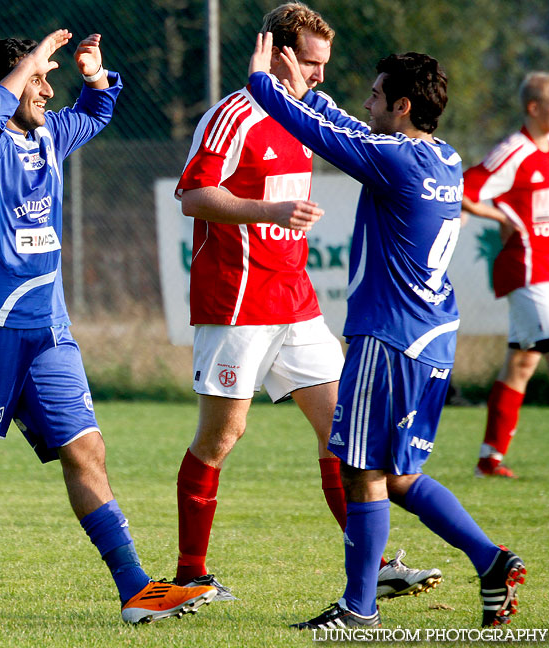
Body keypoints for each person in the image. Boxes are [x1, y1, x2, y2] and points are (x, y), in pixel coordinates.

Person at [0, 29, 215, 627]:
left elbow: (97, 109)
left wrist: (92, 73)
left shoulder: (50, 133)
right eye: (38, 79)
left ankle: (135, 590)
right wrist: (27, 63)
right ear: (7, 84)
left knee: (87, 449)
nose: (47, 91)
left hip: (49, 329)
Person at [248, 34, 526, 629]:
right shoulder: (441, 157)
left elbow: (325, 136)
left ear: (402, 106)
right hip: (430, 336)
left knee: (360, 470)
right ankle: (491, 560)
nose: (367, 103)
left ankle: (358, 608)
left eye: (377, 96)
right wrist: (305, 93)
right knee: (397, 473)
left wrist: (265, 84)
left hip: (390, 338)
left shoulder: (393, 160)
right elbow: (349, 126)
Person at [173, 1, 441, 603]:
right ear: (280, 52)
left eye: (325, 62)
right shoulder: (235, 114)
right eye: (312, 62)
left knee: (342, 435)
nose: (321, 74)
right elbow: (192, 194)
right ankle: (191, 575)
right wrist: (268, 211)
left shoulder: (301, 112)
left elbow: (364, 136)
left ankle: (371, 570)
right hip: (237, 301)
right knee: (221, 437)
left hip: (295, 302)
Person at [462, 71, 549, 479]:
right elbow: (463, 189)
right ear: (534, 108)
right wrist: (499, 214)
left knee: (520, 363)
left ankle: (489, 460)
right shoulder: (513, 151)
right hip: (529, 270)